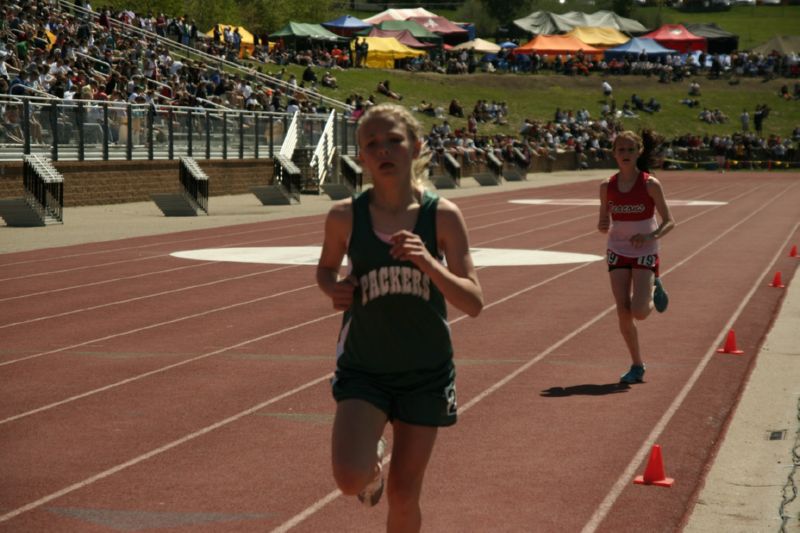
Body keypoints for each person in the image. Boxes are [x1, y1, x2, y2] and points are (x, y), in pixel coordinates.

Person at [316, 103, 483, 532]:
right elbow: (325, 268)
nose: (384, 149)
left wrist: (428, 261)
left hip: (425, 373)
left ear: (416, 146)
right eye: (372, 143)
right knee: (349, 476)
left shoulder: (442, 216)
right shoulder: (343, 216)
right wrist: (333, 287)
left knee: (405, 493)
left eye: (394, 140)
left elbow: (473, 300)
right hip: (364, 368)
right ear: (362, 157)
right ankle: (371, 468)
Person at [597, 130, 676, 385]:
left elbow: (670, 222)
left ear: (639, 151)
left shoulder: (650, 184)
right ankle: (637, 364)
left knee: (639, 312)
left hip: (645, 251)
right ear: (613, 154)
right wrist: (602, 224)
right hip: (617, 249)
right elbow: (603, 219)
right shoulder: (606, 186)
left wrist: (650, 235)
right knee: (622, 311)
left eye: (630, 149)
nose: (626, 154)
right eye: (621, 150)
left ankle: (654, 285)